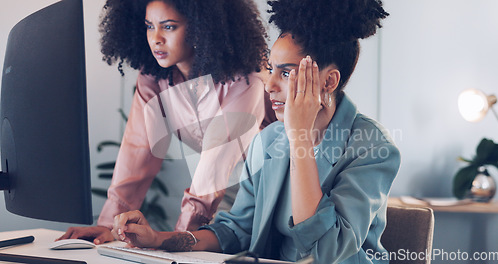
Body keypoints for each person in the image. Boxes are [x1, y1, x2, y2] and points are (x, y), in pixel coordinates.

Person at [110, 0, 401, 262]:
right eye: (271, 70)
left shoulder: (372, 148)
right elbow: (236, 230)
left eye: (285, 73)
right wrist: (158, 240)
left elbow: (326, 251)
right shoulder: (270, 139)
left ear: (328, 81)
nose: (270, 84)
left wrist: (300, 137)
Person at [58, 0, 275, 244]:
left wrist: (176, 241)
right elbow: (137, 150)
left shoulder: (245, 77)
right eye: (149, 26)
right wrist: (110, 226)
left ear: (201, 26)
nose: (156, 38)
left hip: (270, 186)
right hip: (217, 192)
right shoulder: (154, 77)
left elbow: (216, 162)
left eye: (169, 27)